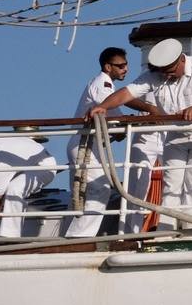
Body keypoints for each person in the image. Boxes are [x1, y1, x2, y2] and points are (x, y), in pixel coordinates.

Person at [89, 38, 192, 222]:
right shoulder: (156, 74)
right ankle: (167, 230)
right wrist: (103, 106)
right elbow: (127, 93)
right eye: (163, 72)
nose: (166, 76)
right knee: (171, 185)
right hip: (175, 133)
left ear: (181, 61)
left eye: (170, 71)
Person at [65, 46, 154, 238]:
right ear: (107, 67)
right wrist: (149, 109)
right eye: (120, 66)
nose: (125, 69)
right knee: (100, 189)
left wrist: (124, 126)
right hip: (85, 145)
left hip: (92, 145)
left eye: (126, 65)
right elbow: (116, 102)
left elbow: (114, 117)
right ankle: (79, 237)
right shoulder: (102, 84)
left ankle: (74, 236)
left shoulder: (106, 84)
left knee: (83, 194)